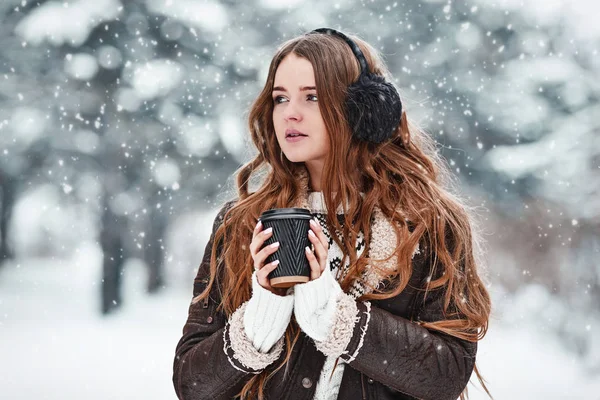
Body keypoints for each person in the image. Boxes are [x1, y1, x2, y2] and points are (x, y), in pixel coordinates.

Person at [172, 27, 492, 400]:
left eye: (312, 97)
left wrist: (337, 319)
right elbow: (191, 385)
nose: (290, 114)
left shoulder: (430, 224)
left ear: (364, 109)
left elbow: (446, 374)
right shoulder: (242, 222)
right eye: (280, 98)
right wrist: (261, 318)